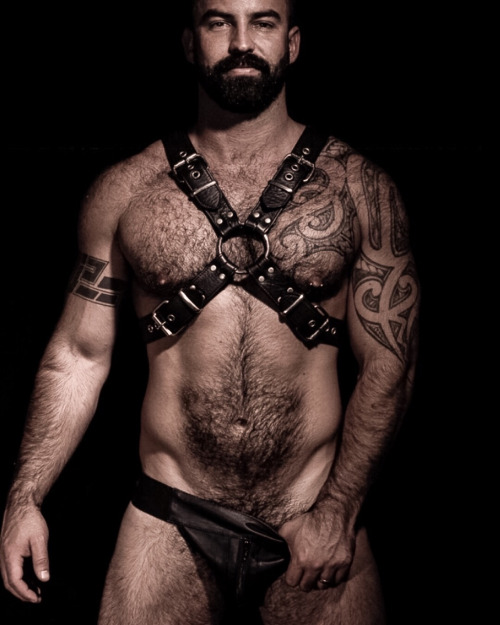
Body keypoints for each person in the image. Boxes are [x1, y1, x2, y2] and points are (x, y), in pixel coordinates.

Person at [0, 0, 420, 623]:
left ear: (293, 43)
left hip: (312, 513)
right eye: (219, 22)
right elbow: (77, 356)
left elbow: (391, 365)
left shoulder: (358, 188)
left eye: (264, 22)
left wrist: (339, 511)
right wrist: (25, 496)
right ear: (190, 42)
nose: (242, 41)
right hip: (169, 518)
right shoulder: (127, 192)